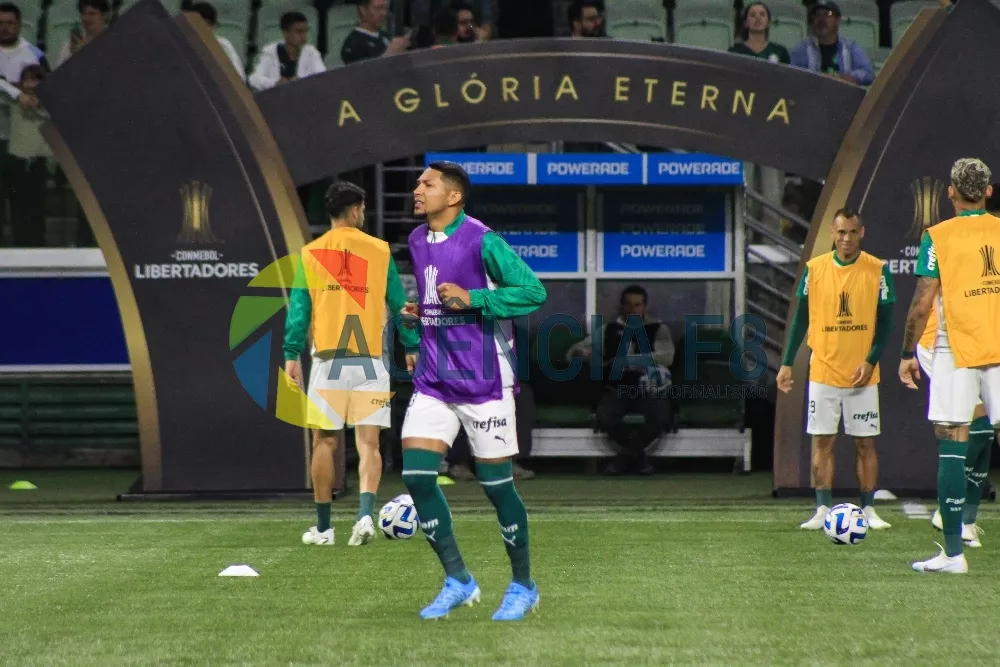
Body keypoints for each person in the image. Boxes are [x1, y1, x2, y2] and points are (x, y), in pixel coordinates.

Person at [399, 161, 547, 621]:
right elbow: (440, 302)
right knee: (418, 477)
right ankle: (459, 580)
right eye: (418, 183)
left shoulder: (484, 240)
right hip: (434, 378)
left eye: (428, 184)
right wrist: (422, 314)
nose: (417, 189)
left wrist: (476, 297)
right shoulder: (416, 240)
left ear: (455, 196)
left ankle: (523, 585)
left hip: (484, 378)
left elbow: (533, 292)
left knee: (496, 487)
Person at [284, 181, 418, 547]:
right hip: (371, 358)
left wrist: (291, 353)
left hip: (329, 359)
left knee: (324, 442)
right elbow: (400, 304)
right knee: (369, 443)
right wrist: (411, 344)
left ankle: (324, 528)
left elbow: (299, 310)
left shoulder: (311, 253)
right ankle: (363, 518)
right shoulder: (378, 250)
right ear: (356, 209)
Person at [899, 158, 1000, 574]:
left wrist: (907, 354)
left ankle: (954, 554)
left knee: (952, 441)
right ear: (989, 191)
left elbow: (923, 302)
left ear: (951, 193)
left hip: (956, 350)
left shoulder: (936, 237)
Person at [776, 208, 894, 531]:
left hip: (862, 375)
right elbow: (801, 319)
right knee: (823, 442)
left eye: (852, 232)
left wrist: (870, 361)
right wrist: (787, 362)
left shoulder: (877, 270)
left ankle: (868, 510)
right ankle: (822, 509)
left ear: (862, 233)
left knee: (865, 443)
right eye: (841, 232)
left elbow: (885, 323)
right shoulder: (814, 270)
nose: (846, 239)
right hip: (824, 372)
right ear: (832, 233)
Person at [918, 296, 990, 549]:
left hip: (980, 338)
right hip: (943, 342)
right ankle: (949, 513)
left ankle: (967, 521)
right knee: (976, 418)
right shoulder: (949, 256)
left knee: (987, 425)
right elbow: (926, 289)